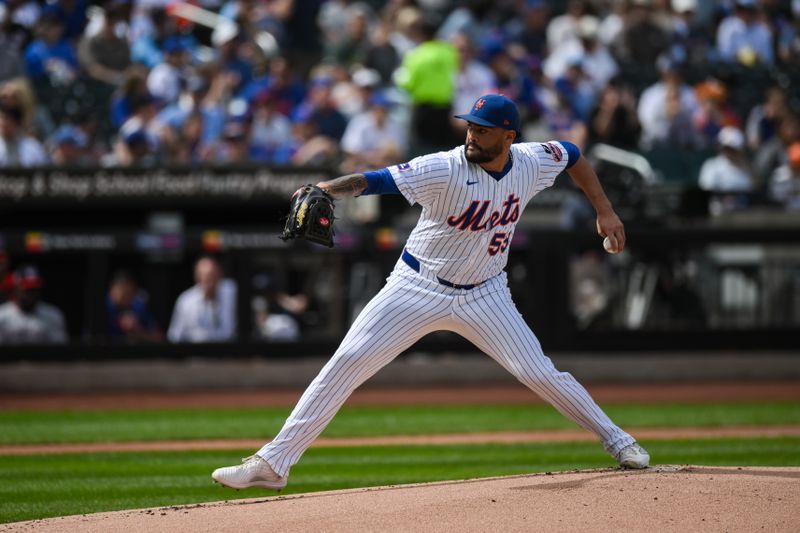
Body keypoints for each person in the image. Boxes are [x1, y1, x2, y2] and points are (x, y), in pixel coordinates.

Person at [211, 94, 650, 491]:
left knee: (538, 372)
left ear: (509, 136)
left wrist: (605, 210)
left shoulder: (534, 160)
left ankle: (618, 439)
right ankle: (274, 462)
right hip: (415, 287)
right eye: (470, 126)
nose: (472, 135)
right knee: (348, 361)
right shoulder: (444, 167)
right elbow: (373, 180)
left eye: (483, 129)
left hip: (486, 293)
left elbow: (573, 154)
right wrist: (327, 189)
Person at [167, 256, 237, 343]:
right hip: (196, 353)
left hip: (230, 352)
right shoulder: (186, 301)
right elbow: (175, 336)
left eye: (214, 276)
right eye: (207, 277)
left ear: (220, 275)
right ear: (198, 278)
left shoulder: (233, 292)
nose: (211, 281)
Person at [0, 265, 67, 344]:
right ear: (16, 288)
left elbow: (59, 351)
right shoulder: (2, 315)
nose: (31, 293)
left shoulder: (53, 315)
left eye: (35, 289)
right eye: (27, 289)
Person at [105, 269, 162, 343]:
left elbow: (159, 337)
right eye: (122, 292)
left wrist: (137, 330)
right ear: (112, 289)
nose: (126, 297)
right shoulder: (103, 307)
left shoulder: (138, 307)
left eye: (130, 293)